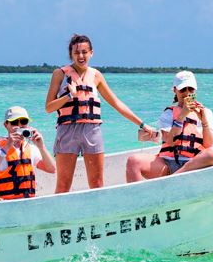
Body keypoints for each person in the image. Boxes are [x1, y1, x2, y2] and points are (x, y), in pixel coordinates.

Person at [45, 34, 156, 193]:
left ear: (91, 53)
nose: (81, 56)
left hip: (92, 130)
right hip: (68, 130)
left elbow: (116, 103)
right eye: (77, 53)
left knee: (97, 183)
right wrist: (69, 96)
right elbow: (49, 107)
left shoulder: (96, 75)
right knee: (63, 184)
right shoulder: (60, 74)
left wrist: (142, 124)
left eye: (84, 52)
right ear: (71, 54)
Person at [125, 70, 213, 182]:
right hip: (167, 163)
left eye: (191, 89)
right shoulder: (168, 113)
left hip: (193, 162)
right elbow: (170, 141)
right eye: (183, 89)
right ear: (175, 90)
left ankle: (176, 177)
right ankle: (137, 197)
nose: (187, 93)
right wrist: (181, 116)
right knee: (133, 161)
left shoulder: (206, 112)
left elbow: (208, 144)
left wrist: (204, 121)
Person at [0, 106, 55, 201]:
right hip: (2, 204)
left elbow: (52, 169)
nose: (19, 126)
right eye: (14, 122)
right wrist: (7, 146)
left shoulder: (30, 148)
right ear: (6, 125)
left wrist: (41, 147)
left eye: (23, 122)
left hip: (27, 203)